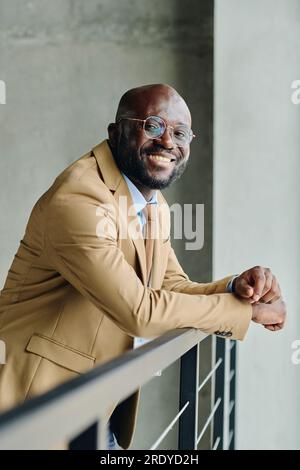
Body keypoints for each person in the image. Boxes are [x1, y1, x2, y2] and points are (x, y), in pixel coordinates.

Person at [0, 84, 286, 450]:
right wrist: (243, 314)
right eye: (152, 125)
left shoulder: (153, 205)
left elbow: (171, 287)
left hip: (92, 411)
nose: (168, 142)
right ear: (115, 132)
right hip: (32, 412)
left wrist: (238, 290)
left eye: (180, 133)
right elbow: (139, 312)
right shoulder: (78, 199)